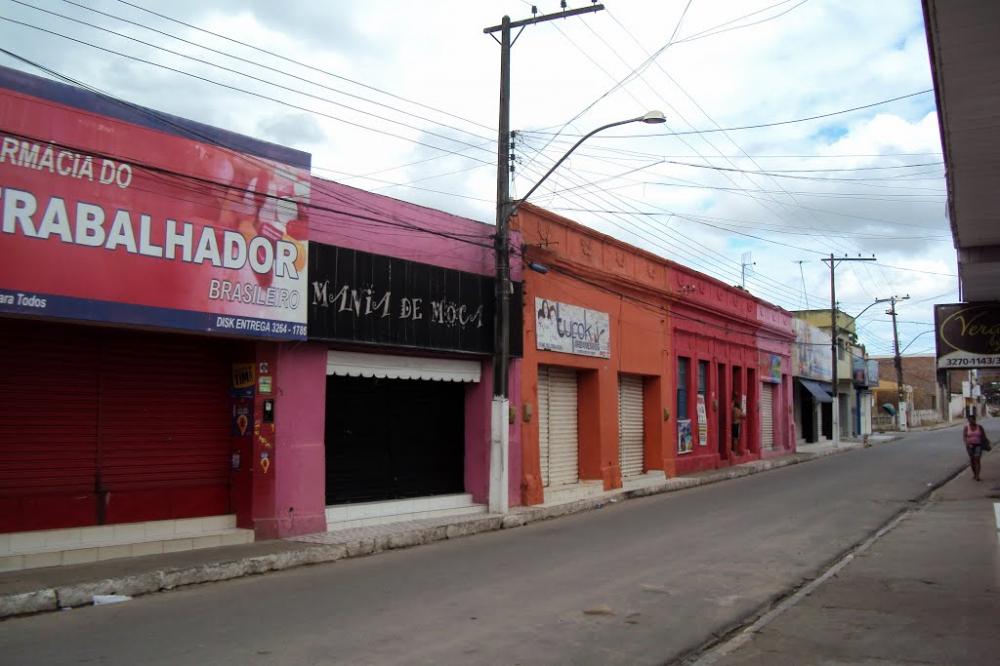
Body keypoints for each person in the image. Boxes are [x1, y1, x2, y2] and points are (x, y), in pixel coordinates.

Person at [962, 413, 989, 482]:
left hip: (978, 445)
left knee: (977, 459)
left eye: (972, 420)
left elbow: (983, 436)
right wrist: (967, 443)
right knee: (972, 460)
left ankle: (977, 476)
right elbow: (964, 437)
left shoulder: (979, 427)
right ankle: (974, 474)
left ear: (975, 420)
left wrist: (985, 443)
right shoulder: (966, 427)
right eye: (969, 420)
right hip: (970, 446)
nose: (971, 422)